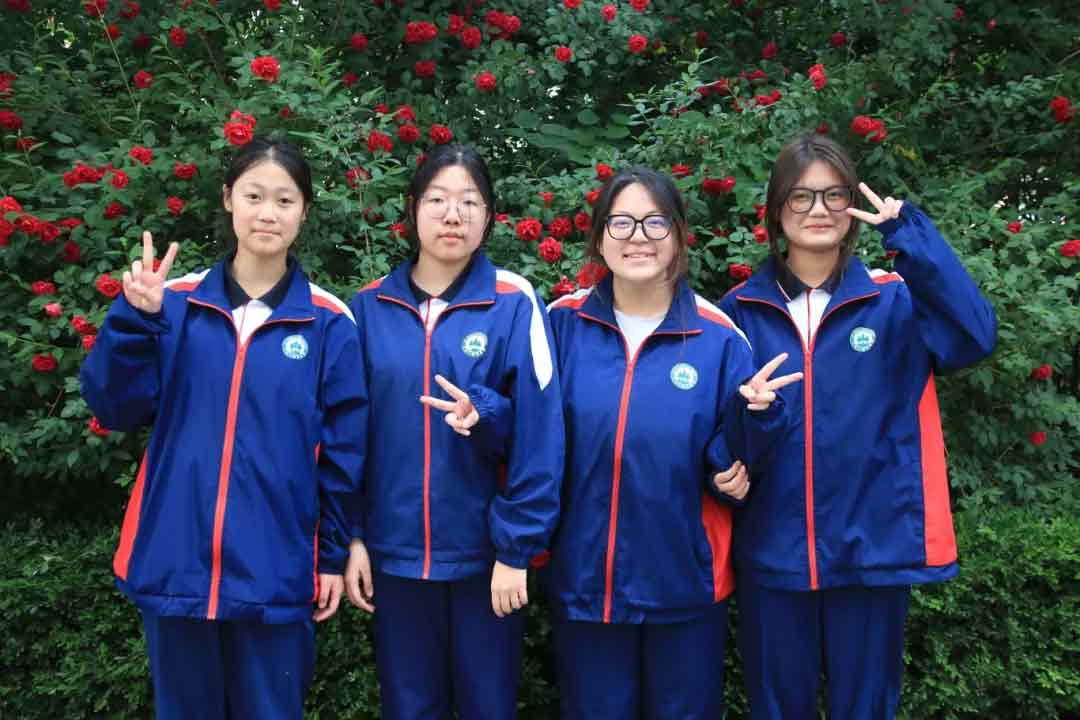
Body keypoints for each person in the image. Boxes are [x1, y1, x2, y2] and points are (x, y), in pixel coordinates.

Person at [79, 136, 366, 720]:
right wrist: (134, 321)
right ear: (229, 199)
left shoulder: (328, 321)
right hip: (175, 561)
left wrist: (331, 556)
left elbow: (344, 454)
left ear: (304, 212)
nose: (268, 213)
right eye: (254, 196)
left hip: (275, 569)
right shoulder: (172, 303)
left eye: (284, 200)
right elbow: (115, 407)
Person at [719, 132, 997, 719]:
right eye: (801, 196)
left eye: (833, 195)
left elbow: (975, 336)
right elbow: (723, 440)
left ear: (852, 206)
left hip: (873, 546)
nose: (818, 210)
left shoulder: (895, 300)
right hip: (773, 551)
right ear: (776, 210)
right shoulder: (739, 311)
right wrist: (743, 429)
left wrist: (909, 235)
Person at [544, 166, 801, 719]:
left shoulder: (719, 336)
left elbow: (734, 459)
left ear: (680, 234)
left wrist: (754, 424)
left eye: (655, 222)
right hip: (586, 584)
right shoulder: (560, 325)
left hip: (685, 583)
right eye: (622, 222)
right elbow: (530, 439)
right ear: (599, 236)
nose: (638, 236)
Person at [344, 144, 564, 720]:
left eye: (470, 202)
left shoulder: (515, 303)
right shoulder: (368, 308)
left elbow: (540, 437)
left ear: (489, 217)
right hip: (394, 558)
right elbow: (346, 436)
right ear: (413, 208)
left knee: (488, 707)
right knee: (408, 708)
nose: (453, 215)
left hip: (484, 561)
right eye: (438, 200)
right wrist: (353, 536)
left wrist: (516, 548)